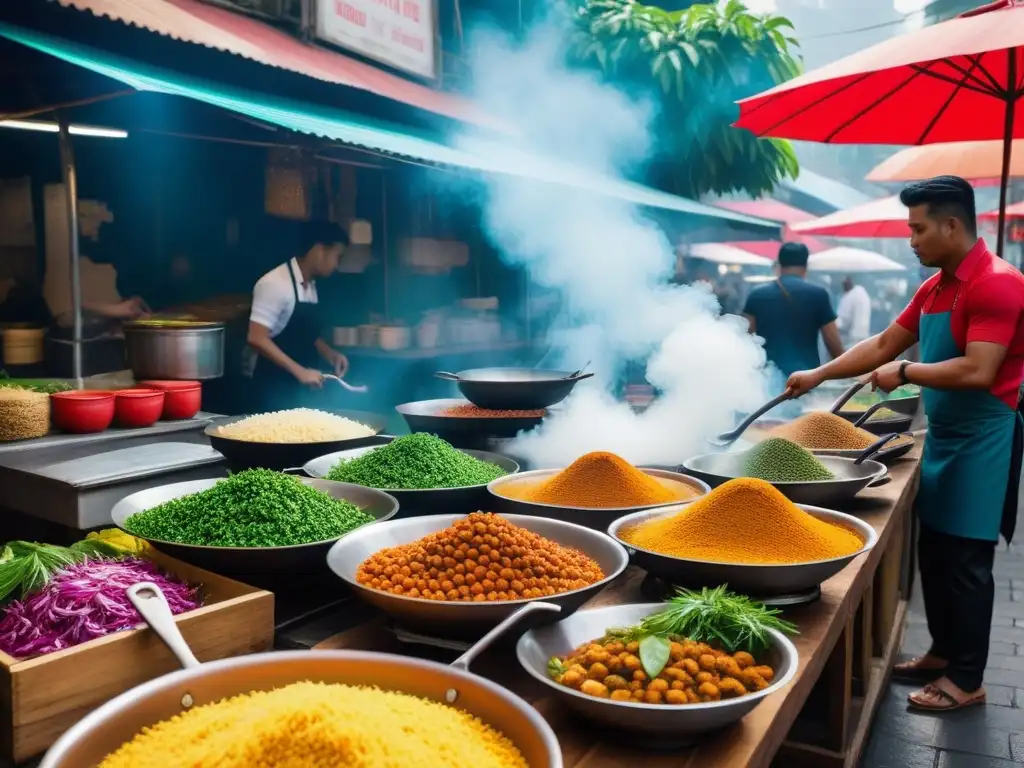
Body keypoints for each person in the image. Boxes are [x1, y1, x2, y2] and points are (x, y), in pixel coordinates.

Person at [785, 176, 1024, 713]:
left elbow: (980, 369)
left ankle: (967, 679)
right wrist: (818, 373)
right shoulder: (936, 286)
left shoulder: (998, 283)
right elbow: (884, 343)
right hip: (943, 437)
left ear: (952, 225)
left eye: (917, 229)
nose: (911, 239)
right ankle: (942, 653)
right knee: (936, 553)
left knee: (967, 561)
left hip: (985, 438)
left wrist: (907, 370)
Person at [243, 221, 350, 411]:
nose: (337, 265)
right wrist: (300, 371)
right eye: (337, 257)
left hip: (300, 391)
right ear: (319, 251)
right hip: (272, 389)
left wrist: (330, 354)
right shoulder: (274, 284)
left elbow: (304, 333)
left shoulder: (310, 285)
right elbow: (256, 337)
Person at [743, 242, 844, 383]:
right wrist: (846, 373)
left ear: (779, 264)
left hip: (766, 379)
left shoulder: (757, 294)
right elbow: (832, 342)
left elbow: (747, 339)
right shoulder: (818, 294)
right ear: (806, 266)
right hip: (806, 379)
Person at [836, 275, 872, 347]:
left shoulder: (849, 296)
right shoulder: (863, 293)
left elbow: (844, 320)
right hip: (864, 335)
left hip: (852, 338)